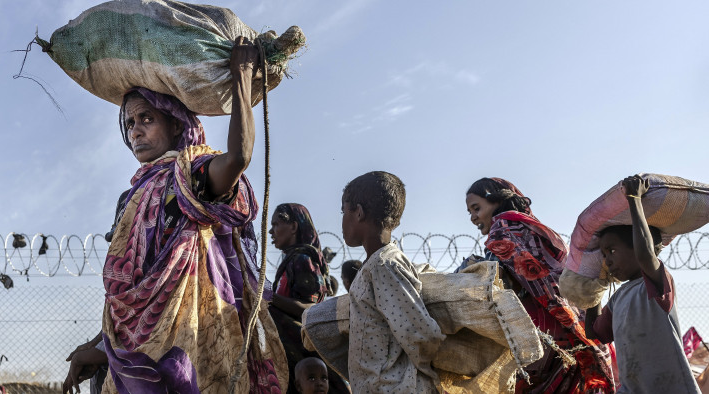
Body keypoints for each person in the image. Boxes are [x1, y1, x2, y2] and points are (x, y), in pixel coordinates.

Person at [62, 36, 288, 394]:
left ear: (177, 125)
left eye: (147, 118)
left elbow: (237, 159)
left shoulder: (191, 176)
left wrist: (241, 78)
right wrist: (98, 347)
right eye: (131, 121)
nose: (135, 129)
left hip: (193, 348)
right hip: (133, 361)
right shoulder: (131, 197)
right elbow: (133, 296)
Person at [463, 177, 615, 393]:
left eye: (476, 208)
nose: (473, 217)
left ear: (496, 201)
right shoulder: (531, 227)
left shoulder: (502, 229)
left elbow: (496, 284)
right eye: (469, 212)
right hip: (565, 329)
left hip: (539, 338)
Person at [585, 175, 701, 393]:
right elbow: (594, 332)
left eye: (611, 251)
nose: (607, 260)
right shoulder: (617, 300)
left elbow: (645, 256)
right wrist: (594, 284)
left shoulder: (655, 282)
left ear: (636, 246)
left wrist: (634, 200)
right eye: (602, 255)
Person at [342, 171, 444, 393]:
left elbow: (421, 334)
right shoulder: (373, 266)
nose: (342, 220)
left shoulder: (384, 266)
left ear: (358, 212)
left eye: (344, 211)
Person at [268, 203, 349, 393]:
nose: (271, 231)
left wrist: (269, 298)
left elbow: (311, 310)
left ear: (294, 227)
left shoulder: (303, 260)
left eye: (276, 224)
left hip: (305, 355)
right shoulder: (291, 260)